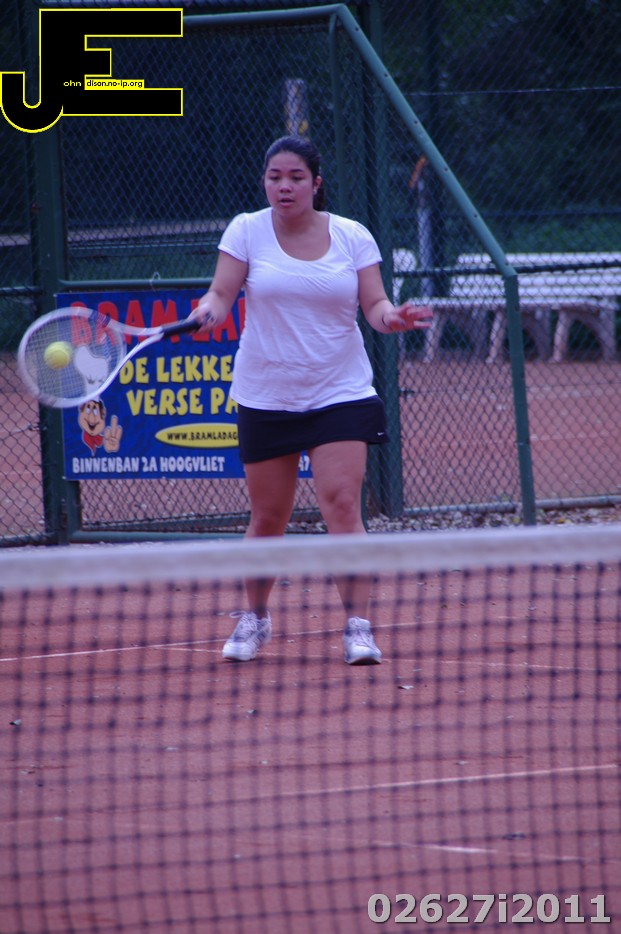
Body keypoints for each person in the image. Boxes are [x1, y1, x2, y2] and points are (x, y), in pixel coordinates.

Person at [192, 135, 432, 665]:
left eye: (296, 177)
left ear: (315, 183)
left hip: (339, 391)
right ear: (265, 181)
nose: (284, 186)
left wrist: (391, 318)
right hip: (266, 394)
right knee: (267, 518)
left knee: (343, 505)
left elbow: (375, 304)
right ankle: (255, 618)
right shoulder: (246, 230)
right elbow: (222, 293)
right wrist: (209, 309)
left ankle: (358, 627)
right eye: (274, 177)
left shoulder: (352, 236)